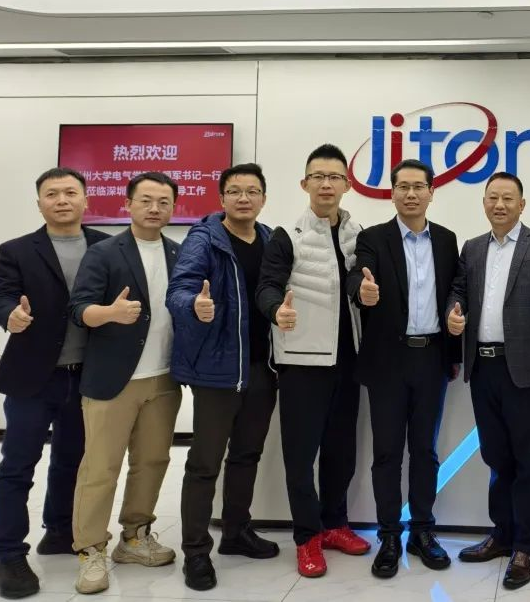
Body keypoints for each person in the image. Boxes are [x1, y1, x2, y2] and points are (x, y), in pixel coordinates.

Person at [0, 168, 110, 599]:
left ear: (86, 200)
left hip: (87, 376)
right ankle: (8, 557)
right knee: (18, 466)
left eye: (70, 192)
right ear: (39, 203)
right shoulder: (17, 250)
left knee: (72, 461)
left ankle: (59, 531)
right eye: (52, 193)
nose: (61, 200)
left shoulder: (107, 246)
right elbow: (0, 295)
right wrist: (10, 315)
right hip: (32, 378)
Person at [446, 172, 530, 590]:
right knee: (497, 458)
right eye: (492, 197)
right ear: (484, 202)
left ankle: (526, 546)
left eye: (508, 198)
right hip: (484, 368)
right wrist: (454, 311)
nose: (499, 205)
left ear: (522, 204)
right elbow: (459, 291)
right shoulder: (473, 247)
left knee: (528, 460)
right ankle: (502, 535)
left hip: (526, 370)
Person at [255, 144, 369, 579]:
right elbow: (267, 285)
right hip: (302, 362)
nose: (326, 184)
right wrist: (275, 311)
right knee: (301, 457)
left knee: (341, 452)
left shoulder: (359, 234)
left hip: (348, 360)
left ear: (347, 184)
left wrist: (364, 291)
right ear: (305, 184)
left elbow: (360, 278)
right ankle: (306, 537)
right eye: (318, 177)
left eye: (334, 177)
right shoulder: (287, 235)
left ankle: (335, 524)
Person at [68, 171, 184, 594]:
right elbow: (79, 308)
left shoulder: (179, 253)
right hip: (113, 380)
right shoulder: (104, 253)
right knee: (100, 468)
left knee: (152, 461)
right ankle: (90, 549)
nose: (155, 208)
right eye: (146, 200)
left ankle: (134, 537)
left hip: (164, 378)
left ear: (174, 208)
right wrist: (109, 314)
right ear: (128, 204)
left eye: (164, 202)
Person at [167, 163, 280, 591]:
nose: (243, 198)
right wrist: (193, 305)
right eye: (234, 191)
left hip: (262, 366)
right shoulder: (205, 239)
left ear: (264, 198)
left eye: (252, 191)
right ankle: (196, 551)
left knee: (247, 454)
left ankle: (235, 532)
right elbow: (179, 288)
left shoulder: (270, 239)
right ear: (221, 198)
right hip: (217, 369)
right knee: (204, 462)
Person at [347, 159, 461, 579]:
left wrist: (455, 337)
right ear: (392, 193)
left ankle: (423, 530)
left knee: (425, 451)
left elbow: (455, 292)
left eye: (419, 187)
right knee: (387, 452)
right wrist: (362, 291)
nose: (411, 194)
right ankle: (390, 535)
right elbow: (355, 278)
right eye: (403, 187)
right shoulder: (373, 238)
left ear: (432, 192)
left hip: (431, 357)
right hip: (387, 362)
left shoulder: (447, 240)